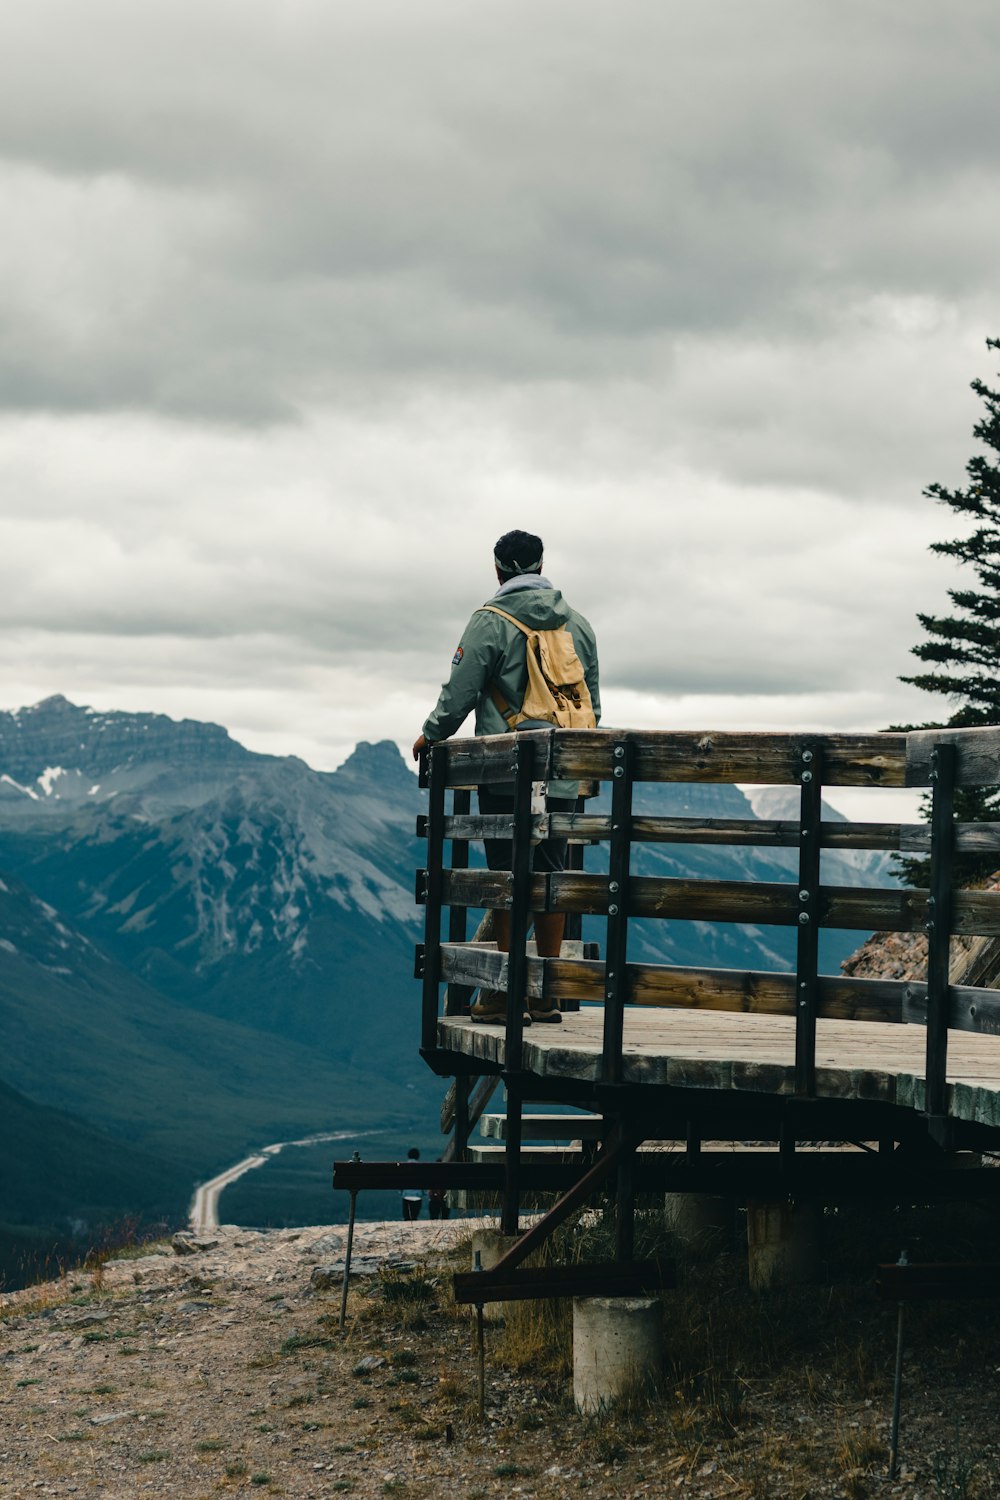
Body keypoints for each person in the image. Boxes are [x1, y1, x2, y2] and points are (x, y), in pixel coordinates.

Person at [412, 530, 600, 1025]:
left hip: (508, 774)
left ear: (497, 570)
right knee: (552, 878)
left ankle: (504, 994)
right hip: (562, 773)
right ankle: (547, 992)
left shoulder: (489, 623)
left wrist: (429, 736)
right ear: (542, 564)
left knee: (507, 880)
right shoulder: (577, 624)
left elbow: (460, 694)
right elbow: (592, 705)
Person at [401, 1146, 423, 1221]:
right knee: (414, 1216)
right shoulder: (421, 1167)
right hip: (418, 1195)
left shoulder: (403, 1166)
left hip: (406, 1195)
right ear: (418, 1156)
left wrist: (401, 1192)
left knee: (406, 1216)